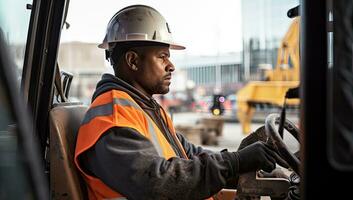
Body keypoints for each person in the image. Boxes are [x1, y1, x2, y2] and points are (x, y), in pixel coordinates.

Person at [74, 5, 288, 200]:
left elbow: (190, 155)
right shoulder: (113, 118)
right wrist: (236, 162)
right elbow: (159, 182)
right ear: (133, 61)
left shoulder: (145, 109)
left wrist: (241, 162)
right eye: (162, 56)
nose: (171, 66)